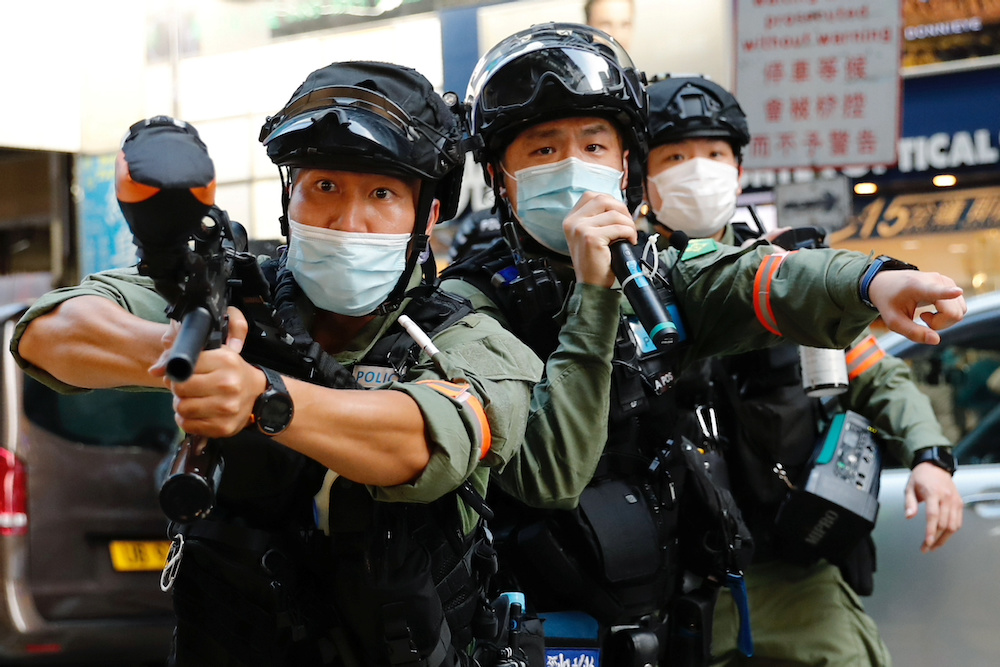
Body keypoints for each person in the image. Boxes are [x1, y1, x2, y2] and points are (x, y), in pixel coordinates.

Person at [440, 22, 966, 666]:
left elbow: (760, 278)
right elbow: (548, 474)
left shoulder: (663, 270)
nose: (574, 165)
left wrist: (870, 280)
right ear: (500, 173)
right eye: (544, 149)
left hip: (701, 589)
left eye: (594, 144)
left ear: (624, 165)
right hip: (545, 622)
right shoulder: (469, 305)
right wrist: (594, 294)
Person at [12, 61, 543, 667]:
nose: (348, 222)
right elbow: (49, 332)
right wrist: (175, 354)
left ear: (427, 216)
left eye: (381, 194)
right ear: (287, 198)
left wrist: (262, 395)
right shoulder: (231, 289)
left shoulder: (471, 336)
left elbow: (424, 444)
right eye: (324, 187)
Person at [642, 74, 964, 667]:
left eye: (714, 154)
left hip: (794, 576)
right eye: (675, 156)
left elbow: (879, 379)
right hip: (673, 594)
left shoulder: (791, 279)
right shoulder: (616, 288)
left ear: (739, 172)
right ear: (643, 177)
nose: (697, 169)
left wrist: (929, 456)